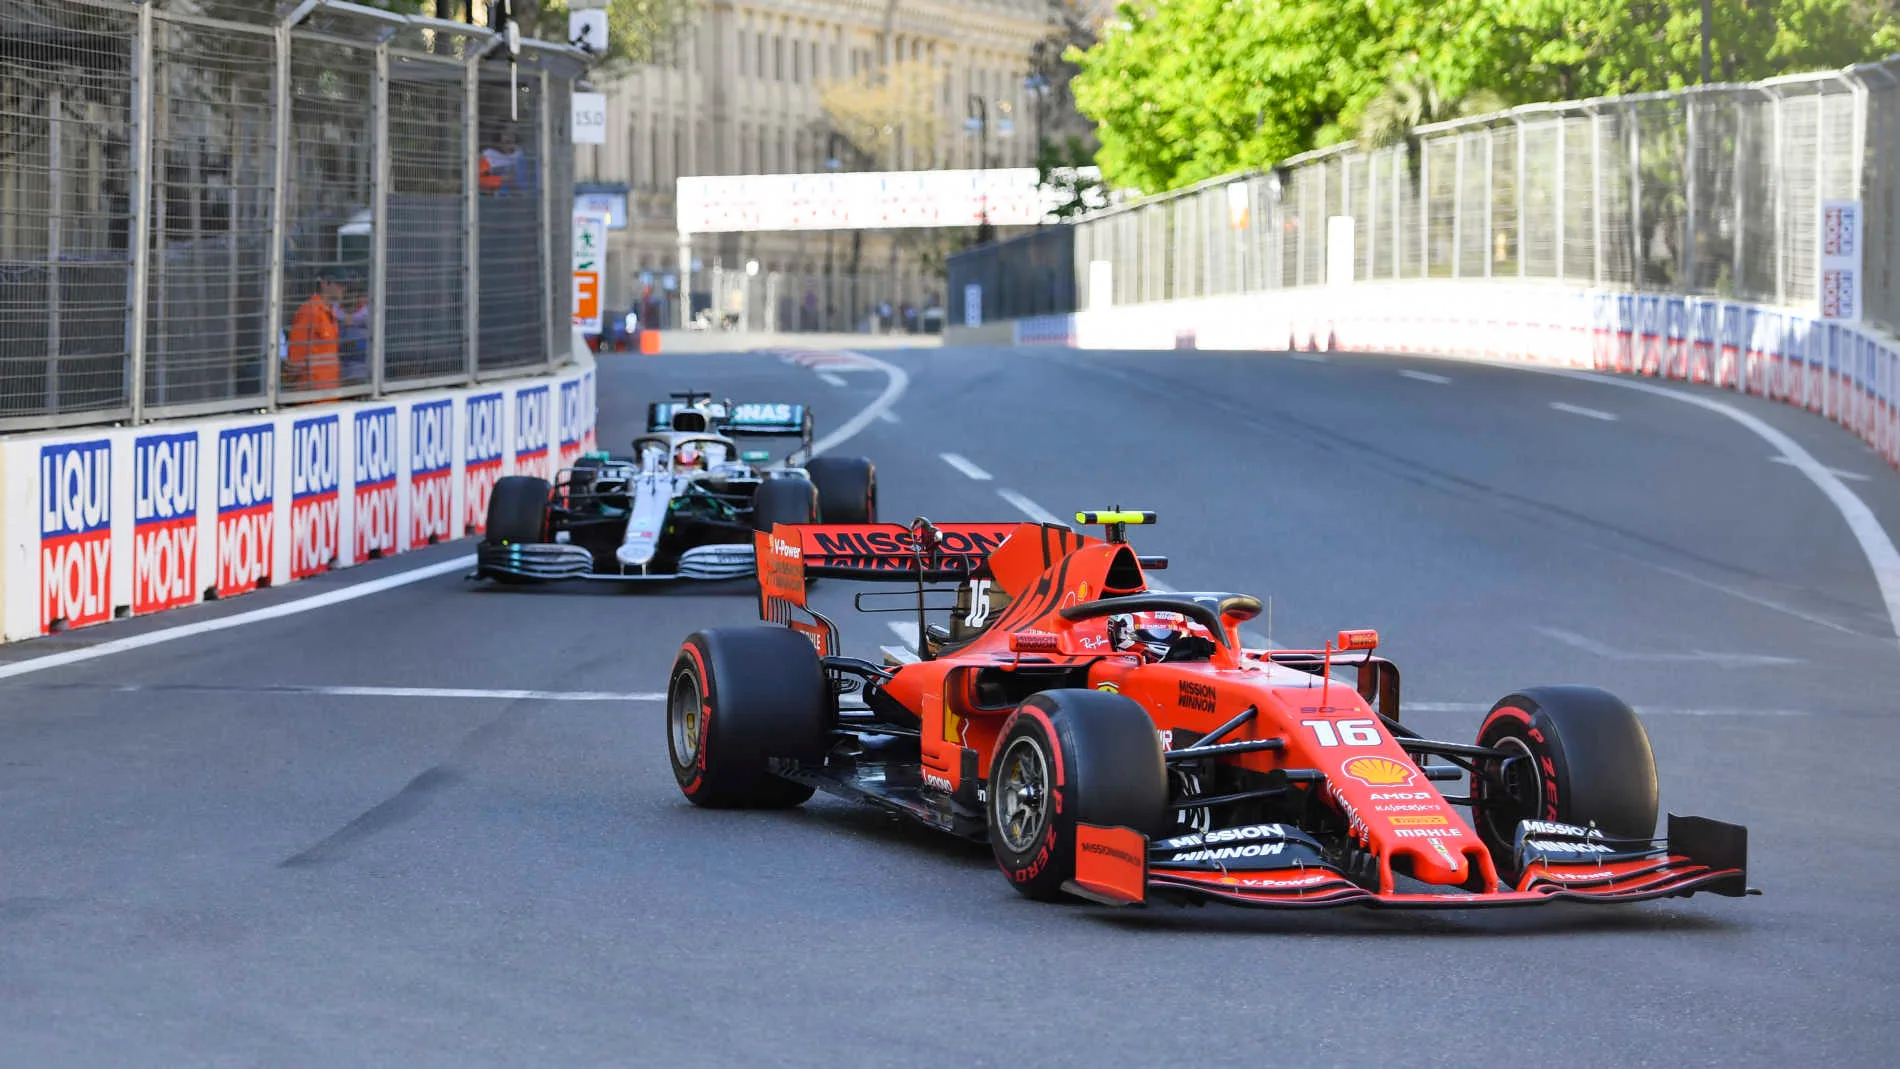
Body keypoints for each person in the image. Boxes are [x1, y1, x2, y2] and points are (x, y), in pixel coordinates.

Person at [286, 268, 344, 391]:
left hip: (328, 392)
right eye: (339, 284)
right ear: (324, 284)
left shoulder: (330, 312)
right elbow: (297, 358)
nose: (343, 288)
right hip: (312, 394)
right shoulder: (310, 311)